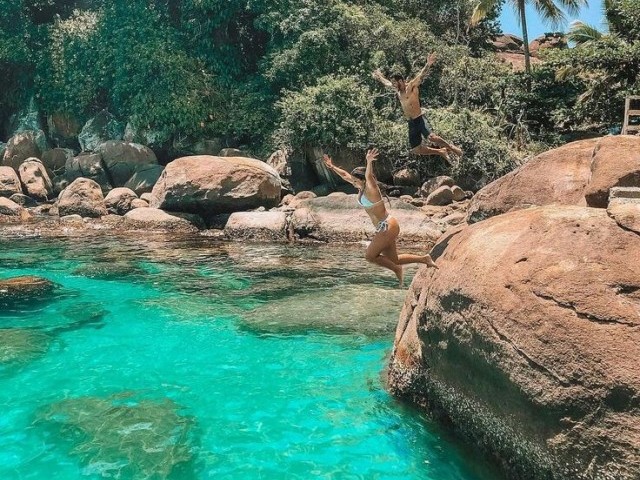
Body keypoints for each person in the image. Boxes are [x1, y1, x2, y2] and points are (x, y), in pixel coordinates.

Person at [322, 148, 438, 287]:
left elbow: (369, 176)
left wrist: (369, 162)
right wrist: (332, 166)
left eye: (355, 180)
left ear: (363, 180)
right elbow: (345, 175)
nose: (352, 182)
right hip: (384, 227)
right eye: (352, 181)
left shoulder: (372, 189)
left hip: (387, 226)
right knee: (393, 259)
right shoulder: (361, 189)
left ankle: (397, 269)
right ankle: (424, 259)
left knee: (370, 256)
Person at [372, 53, 463, 162]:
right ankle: (440, 152)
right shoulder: (397, 90)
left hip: (419, 119)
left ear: (401, 81)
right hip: (411, 122)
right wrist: (379, 76)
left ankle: (453, 148)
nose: (394, 85)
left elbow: (420, 76)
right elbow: (386, 83)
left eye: (395, 83)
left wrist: (428, 64)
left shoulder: (410, 87)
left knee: (432, 138)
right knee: (416, 149)